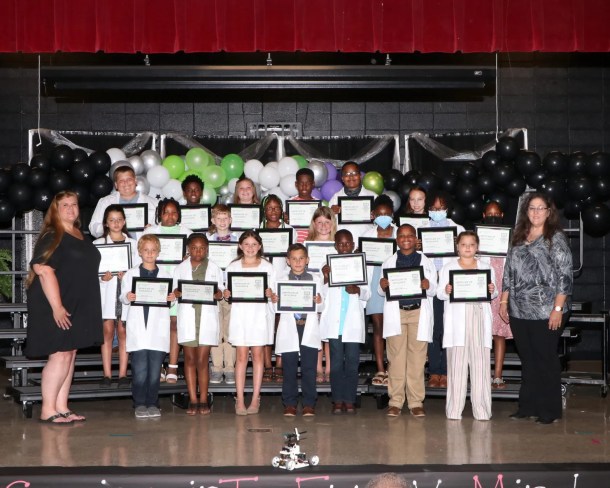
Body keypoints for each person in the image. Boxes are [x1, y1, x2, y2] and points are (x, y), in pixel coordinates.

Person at [26, 191, 103, 424]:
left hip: (75, 303)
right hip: (55, 303)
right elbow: (43, 269)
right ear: (55, 210)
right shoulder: (53, 234)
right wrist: (57, 307)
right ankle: (48, 409)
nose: (71, 209)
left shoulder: (79, 234)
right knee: (59, 355)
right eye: (65, 205)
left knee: (69, 354)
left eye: (74, 204)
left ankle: (61, 406)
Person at [500, 192, 573, 425]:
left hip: (548, 310)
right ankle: (527, 406)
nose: (536, 212)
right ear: (526, 211)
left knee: (545, 359)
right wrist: (504, 301)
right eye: (532, 208)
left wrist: (557, 310)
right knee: (528, 360)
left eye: (541, 208)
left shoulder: (556, 238)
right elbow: (508, 272)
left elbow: (565, 277)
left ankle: (549, 410)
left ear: (549, 212)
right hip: (519, 310)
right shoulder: (518, 236)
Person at [437, 231, 497, 421]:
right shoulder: (448, 268)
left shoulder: (486, 267)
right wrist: (447, 290)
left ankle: (482, 411)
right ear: (458, 247)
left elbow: (493, 293)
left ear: (477, 247)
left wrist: (492, 290)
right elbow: (439, 294)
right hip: (457, 320)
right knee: (457, 367)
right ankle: (454, 410)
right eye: (464, 244)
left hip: (478, 316)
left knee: (480, 367)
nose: (468, 248)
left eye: (472, 244)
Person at [379, 224, 436, 418]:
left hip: (418, 313)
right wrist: (383, 285)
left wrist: (427, 285)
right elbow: (381, 290)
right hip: (397, 313)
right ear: (397, 240)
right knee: (395, 359)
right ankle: (395, 401)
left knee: (417, 360)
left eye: (409, 235)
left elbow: (434, 289)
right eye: (401, 236)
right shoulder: (388, 262)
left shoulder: (426, 261)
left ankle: (415, 401)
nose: (405, 239)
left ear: (415, 238)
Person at [121, 234, 176, 419]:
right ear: (140, 252)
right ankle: (139, 403)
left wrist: (171, 298)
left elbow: (171, 301)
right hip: (138, 329)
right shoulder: (131, 275)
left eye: (153, 250)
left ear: (158, 252)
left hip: (157, 331)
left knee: (154, 372)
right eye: (146, 250)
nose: (150, 253)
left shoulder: (166, 276)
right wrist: (127, 297)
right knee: (140, 371)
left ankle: (153, 402)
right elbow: (122, 297)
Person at [224, 230, 276, 415]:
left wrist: (271, 295)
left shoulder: (268, 267)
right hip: (240, 316)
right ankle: (239, 399)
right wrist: (227, 294)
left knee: (258, 356)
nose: (250, 248)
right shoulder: (233, 267)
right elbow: (227, 290)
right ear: (240, 246)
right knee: (241, 357)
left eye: (254, 244)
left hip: (259, 316)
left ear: (260, 246)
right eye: (246, 244)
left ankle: (255, 398)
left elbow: (274, 294)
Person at [320, 229, 371, 414]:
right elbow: (321, 296)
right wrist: (326, 277)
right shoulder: (329, 266)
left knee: (351, 362)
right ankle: (337, 399)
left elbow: (368, 293)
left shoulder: (359, 266)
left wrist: (358, 290)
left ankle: (349, 399)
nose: (344, 246)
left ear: (353, 245)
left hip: (352, 325)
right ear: (335, 246)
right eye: (340, 244)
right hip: (335, 325)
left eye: (347, 243)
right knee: (335, 365)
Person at [173, 233, 224, 415]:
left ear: (207, 249)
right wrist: (176, 293)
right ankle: (192, 399)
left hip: (206, 316)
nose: (198, 251)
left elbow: (221, 291)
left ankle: (204, 398)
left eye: (202, 247)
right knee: (189, 359)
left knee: (203, 360)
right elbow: (173, 292)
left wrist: (219, 294)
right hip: (188, 317)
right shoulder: (180, 268)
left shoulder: (214, 268)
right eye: (194, 247)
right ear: (188, 249)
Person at [143, 198, 193, 384]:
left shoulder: (187, 233)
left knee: (174, 324)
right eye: (166, 212)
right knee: (157, 325)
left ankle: (172, 366)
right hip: (155, 282)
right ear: (159, 214)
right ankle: (159, 365)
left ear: (178, 214)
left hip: (177, 282)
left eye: (173, 212)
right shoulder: (150, 232)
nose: (170, 216)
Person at [271, 243, 323, 417]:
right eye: (294, 258)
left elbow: (323, 306)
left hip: (307, 327)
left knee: (309, 368)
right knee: (289, 368)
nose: (298, 262)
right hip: (289, 328)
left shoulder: (316, 279)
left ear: (307, 260)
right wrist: (274, 299)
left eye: (301, 258)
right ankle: (290, 403)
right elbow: (275, 309)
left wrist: (319, 300)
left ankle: (309, 403)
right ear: (288, 261)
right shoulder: (281, 280)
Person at [93, 204, 140, 388]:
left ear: (125, 221)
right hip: (107, 292)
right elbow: (92, 273)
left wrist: (126, 275)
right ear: (106, 223)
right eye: (112, 220)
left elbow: (137, 269)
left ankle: (122, 374)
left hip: (124, 293)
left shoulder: (134, 244)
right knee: (107, 332)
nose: (116, 223)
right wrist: (103, 279)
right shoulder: (97, 245)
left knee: (123, 332)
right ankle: (106, 374)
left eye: (119, 219)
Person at [426, 191, 465, 389]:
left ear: (447, 209)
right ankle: (434, 371)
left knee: (450, 330)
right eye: (433, 209)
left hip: (452, 288)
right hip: (432, 287)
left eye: (441, 208)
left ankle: (448, 371)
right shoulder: (421, 231)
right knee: (434, 330)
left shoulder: (457, 230)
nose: (437, 212)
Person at [361, 195, 398, 387]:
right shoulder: (367, 235)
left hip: (395, 284)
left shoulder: (400, 234)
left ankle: (394, 368)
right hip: (374, 280)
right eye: (379, 214)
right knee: (378, 327)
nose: (383, 217)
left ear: (392, 214)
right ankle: (380, 369)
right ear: (373, 215)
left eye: (387, 214)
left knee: (393, 327)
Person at [260, 194, 296, 383]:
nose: (273, 211)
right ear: (264, 211)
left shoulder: (290, 231)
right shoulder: (257, 231)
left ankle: (279, 364)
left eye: (276, 208)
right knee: (266, 323)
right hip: (263, 281)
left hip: (283, 280)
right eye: (269, 208)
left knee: (282, 324)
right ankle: (267, 364)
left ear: (282, 210)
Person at [479, 201, 513, 389]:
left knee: (499, 335)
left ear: (501, 216)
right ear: (484, 215)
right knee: (482, 336)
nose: (493, 216)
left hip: (502, 293)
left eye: (496, 213)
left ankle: (497, 376)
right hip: (481, 292)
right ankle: (483, 375)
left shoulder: (509, 239)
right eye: (489, 213)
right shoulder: (477, 238)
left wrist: (506, 299)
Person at [207, 203, 240, 385]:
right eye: (218, 218)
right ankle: (216, 368)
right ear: (213, 220)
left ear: (231, 220)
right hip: (214, 292)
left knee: (230, 330)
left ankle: (230, 368)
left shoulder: (237, 242)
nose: (222, 221)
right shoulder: (208, 241)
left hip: (232, 292)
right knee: (216, 330)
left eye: (225, 218)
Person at [305, 206, 338, 383]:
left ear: (333, 223)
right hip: (314, 290)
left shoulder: (338, 245)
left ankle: (331, 368)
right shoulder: (307, 246)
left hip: (333, 293)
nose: (324, 226)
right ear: (313, 224)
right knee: (316, 330)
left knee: (330, 331)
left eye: (327, 222)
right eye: (320, 222)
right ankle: (318, 368)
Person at [89, 165, 157, 240]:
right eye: (121, 181)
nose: (126, 183)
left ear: (135, 181)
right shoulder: (105, 202)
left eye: (129, 179)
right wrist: (109, 226)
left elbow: (162, 228)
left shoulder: (153, 203)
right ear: (116, 185)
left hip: (143, 249)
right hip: (115, 249)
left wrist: (153, 229)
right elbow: (93, 228)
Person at [329, 161, 375, 242]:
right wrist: (331, 213)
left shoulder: (373, 197)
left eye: (354, 173)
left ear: (360, 176)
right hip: (343, 245)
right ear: (342, 178)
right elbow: (328, 225)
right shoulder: (335, 198)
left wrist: (376, 216)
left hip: (366, 242)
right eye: (347, 174)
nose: (351, 177)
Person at [287, 167, 317, 243]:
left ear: (313, 184)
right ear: (296, 184)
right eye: (301, 183)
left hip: (312, 244)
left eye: (307, 183)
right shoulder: (290, 203)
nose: (304, 186)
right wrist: (285, 220)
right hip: (294, 245)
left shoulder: (319, 205)